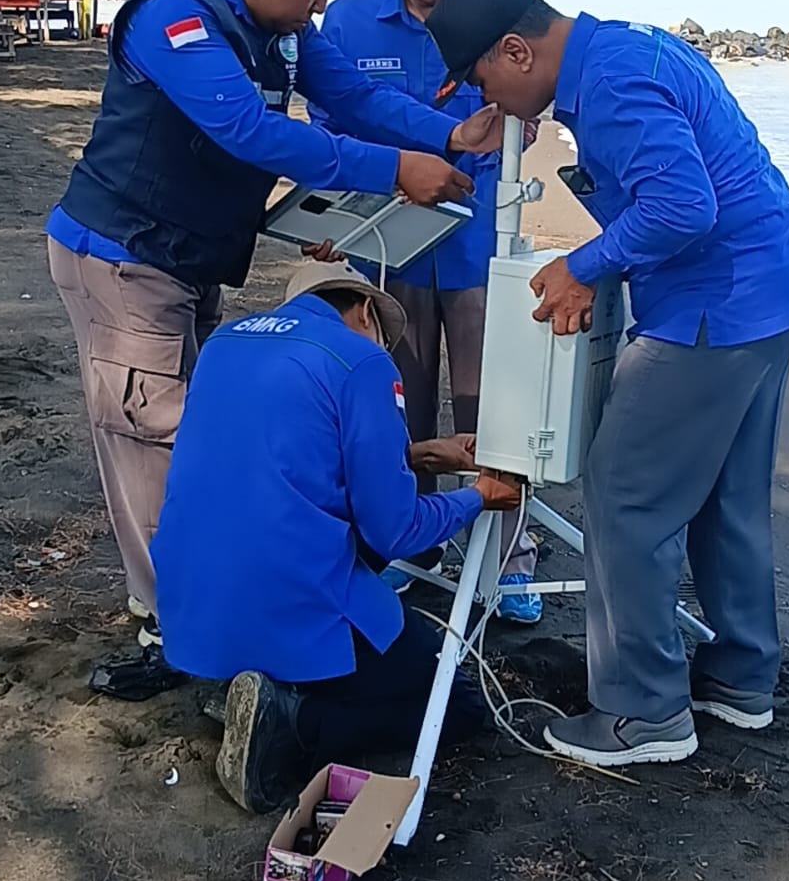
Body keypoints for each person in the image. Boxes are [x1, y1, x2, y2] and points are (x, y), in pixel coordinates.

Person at [47, 0, 504, 652]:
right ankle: (173, 620)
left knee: (204, 432)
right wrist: (396, 168)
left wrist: (448, 137)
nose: (320, 7)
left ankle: (198, 596)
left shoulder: (282, 26)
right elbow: (250, 132)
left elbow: (353, 95)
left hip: (191, 257)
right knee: (152, 434)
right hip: (123, 257)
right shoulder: (176, 17)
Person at [425, 0, 789, 768]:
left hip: (715, 305)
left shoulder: (605, 84)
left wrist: (584, 265)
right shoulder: (624, 45)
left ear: (515, 48)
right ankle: (740, 679)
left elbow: (683, 206)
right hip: (775, 281)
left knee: (625, 493)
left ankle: (643, 713)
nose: (482, 95)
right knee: (726, 493)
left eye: (481, 79)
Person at [151, 258, 521, 812]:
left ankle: (245, 686)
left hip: (191, 601)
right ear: (365, 310)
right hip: (286, 595)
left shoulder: (227, 344)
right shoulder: (363, 361)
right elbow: (395, 531)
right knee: (457, 705)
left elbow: (291, 459)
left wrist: (418, 455)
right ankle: (294, 719)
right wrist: (478, 497)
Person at [309, 0, 542, 623]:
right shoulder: (344, 26)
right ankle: (411, 541)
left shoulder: (498, 16)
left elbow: (523, 104)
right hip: (385, 246)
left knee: (492, 408)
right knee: (397, 405)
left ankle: (506, 556)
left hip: (478, 245)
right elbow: (329, 136)